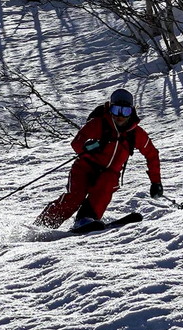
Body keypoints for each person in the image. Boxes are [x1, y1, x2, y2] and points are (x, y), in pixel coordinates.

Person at [36, 87, 163, 230]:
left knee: (106, 186)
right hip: (84, 168)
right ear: (110, 109)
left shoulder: (135, 134)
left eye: (125, 111)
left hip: (109, 173)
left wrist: (156, 182)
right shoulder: (99, 124)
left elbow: (152, 155)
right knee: (75, 198)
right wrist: (88, 147)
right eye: (116, 110)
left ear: (132, 111)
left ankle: (86, 219)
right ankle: (44, 224)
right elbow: (77, 142)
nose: (120, 116)